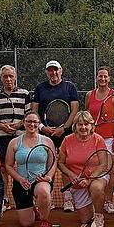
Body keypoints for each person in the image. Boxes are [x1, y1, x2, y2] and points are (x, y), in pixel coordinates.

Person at [31, 60, 81, 211]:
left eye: (56, 70)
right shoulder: (40, 88)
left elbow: (74, 110)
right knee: (45, 164)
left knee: (66, 164)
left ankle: (68, 199)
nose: (53, 73)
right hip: (45, 133)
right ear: (47, 72)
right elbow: (34, 110)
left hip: (66, 133)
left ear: (61, 70)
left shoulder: (69, 87)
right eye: (50, 70)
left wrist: (64, 128)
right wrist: (42, 127)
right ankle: (47, 198)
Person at [4, 112, 57, 227]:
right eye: (28, 121)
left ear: (39, 124)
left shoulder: (47, 141)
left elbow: (53, 163)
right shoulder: (15, 142)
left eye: (35, 122)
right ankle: (33, 208)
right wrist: (20, 179)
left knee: (43, 192)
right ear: (23, 123)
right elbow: (8, 165)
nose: (31, 124)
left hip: (40, 181)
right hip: (22, 182)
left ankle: (44, 220)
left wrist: (48, 177)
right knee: (26, 223)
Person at [57, 111, 110, 227]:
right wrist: (71, 175)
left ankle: (99, 215)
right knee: (85, 219)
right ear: (74, 126)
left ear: (91, 125)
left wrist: (89, 179)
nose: (83, 127)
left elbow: (103, 165)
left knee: (96, 188)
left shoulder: (98, 139)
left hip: (96, 176)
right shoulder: (67, 140)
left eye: (86, 124)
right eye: (80, 124)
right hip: (77, 182)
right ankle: (92, 203)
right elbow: (60, 163)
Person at [0, 65, 31, 212]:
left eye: (10, 76)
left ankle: (26, 198)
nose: (8, 79)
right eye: (5, 76)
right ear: (1, 78)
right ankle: (5, 199)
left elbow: (29, 112)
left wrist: (19, 124)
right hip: (0, 137)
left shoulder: (24, 94)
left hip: (20, 137)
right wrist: (1, 126)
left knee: (22, 167)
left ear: (15, 77)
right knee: (2, 169)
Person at [85, 66, 114, 215]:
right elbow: (87, 115)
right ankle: (93, 200)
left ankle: (109, 201)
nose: (103, 79)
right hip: (92, 137)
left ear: (109, 78)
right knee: (92, 166)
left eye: (105, 76)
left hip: (108, 138)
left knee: (108, 169)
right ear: (96, 78)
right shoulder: (89, 95)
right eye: (100, 76)